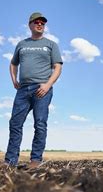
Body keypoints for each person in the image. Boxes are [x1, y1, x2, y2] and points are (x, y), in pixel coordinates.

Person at [4, 12, 63, 169]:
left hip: (42, 89)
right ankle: (9, 162)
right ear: (30, 25)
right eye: (36, 22)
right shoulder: (22, 44)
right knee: (15, 123)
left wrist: (48, 85)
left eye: (42, 23)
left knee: (40, 124)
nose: (40, 24)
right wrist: (14, 80)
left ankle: (35, 160)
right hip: (23, 90)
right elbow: (13, 64)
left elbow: (58, 67)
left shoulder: (51, 45)